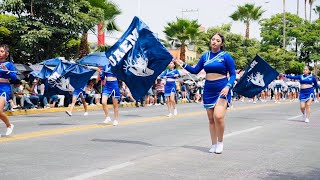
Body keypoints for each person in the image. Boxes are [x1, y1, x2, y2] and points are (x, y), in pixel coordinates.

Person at [175, 33, 236, 154]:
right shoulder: (205, 56)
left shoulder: (226, 56)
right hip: (208, 89)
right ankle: (213, 144)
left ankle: (220, 142)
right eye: (213, 39)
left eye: (217, 40)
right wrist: (183, 64)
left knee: (218, 116)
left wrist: (228, 86)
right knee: (211, 119)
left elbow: (233, 74)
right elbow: (195, 70)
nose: (214, 42)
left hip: (222, 88)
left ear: (221, 43)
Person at [0, 44, 16, 136]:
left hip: (3, 89)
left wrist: (7, 71)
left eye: (2, 51)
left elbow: (14, 78)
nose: (0, 53)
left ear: (7, 53)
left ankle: (9, 126)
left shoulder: (9, 65)